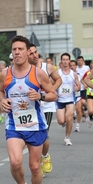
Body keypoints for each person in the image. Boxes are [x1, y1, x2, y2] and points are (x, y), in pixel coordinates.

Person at [0, 35, 57, 184]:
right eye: (14, 49)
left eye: (20, 49)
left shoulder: (37, 73)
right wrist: (2, 101)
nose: (17, 52)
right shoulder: (5, 74)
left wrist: (40, 96)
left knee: (34, 166)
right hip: (14, 125)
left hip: (35, 125)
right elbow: (0, 92)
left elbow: (53, 94)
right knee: (15, 162)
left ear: (26, 52)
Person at [28, 43, 62, 176]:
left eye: (35, 52)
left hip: (46, 105)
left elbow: (58, 79)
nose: (35, 55)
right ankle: (36, 164)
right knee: (32, 136)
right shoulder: (24, 70)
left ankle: (45, 156)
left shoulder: (47, 67)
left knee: (43, 136)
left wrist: (51, 90)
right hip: (31, 106)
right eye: (31, 53)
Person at [57, 53, 80, 146]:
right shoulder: (57, 73)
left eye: (67, 59)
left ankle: (67, 137)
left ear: (69, 61)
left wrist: (77, 88)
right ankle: (64, 123)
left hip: (70, 99)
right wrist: (53, 91)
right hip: (59, 99)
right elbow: (51, 84)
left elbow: (78, 85)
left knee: (69, 118)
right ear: (61, 61)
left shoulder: (73, 74)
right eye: (64, 59)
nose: (65, 61)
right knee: (61, 121)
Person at [81, 59, 93, 133]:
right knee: (91, 111)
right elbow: (82, 80)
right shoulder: (88, 72)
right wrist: (85, 84)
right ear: (91, 65)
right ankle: (90, 117)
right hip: (90, 94)